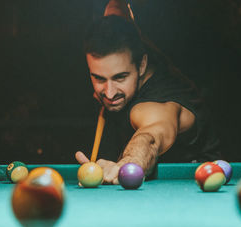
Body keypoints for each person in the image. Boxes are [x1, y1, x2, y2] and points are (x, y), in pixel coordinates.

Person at [75, 0, 220, 184]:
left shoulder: (154, 105)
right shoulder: (126, 37)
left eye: (120, 77)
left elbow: (151, 137)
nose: (110, 94)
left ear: (142, 65)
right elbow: (116, 7)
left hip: (192, 187)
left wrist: (129, 164)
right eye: (99, 78)